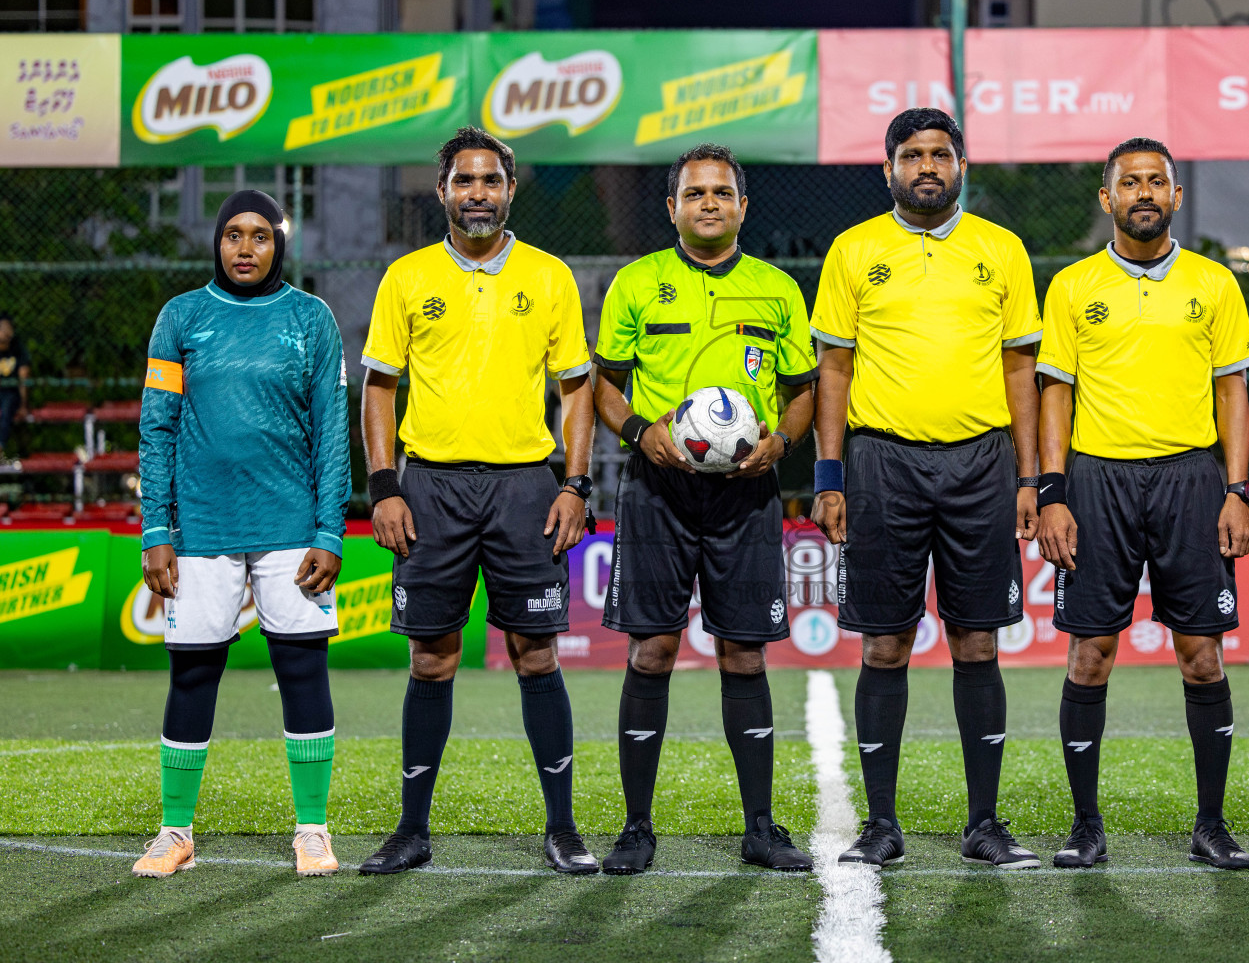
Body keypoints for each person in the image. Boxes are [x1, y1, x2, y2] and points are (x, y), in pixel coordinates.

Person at [357, 127, 599, 876]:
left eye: (491, 181)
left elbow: (577, 389)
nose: (478, 194)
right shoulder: (406, 278)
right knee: (431, 660)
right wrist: (385, 486)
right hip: (429, 487)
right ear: (443, 192)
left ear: (510, 190)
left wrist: (575, 483)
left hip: (525, 488)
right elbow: (378, 389)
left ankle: (561, 830)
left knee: (537, 655)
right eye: (464, 181)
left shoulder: (551, 276)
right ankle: (411, 830)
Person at [811, 108, 1044, 870]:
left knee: (977, 640)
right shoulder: (854, 249)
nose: (927, 166)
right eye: (911, 155)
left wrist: (1031, 476)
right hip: (883, 466)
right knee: (886, 641)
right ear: (888, 170)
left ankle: (986, 824)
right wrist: (830, 475)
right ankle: (881, 825)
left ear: (961, 164)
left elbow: (1020, 371)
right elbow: (833, 369)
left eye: (940, 154)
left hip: (981, 464)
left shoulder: (1001, 249)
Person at [1035, 137, 1249, 870]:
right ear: (1106, 199)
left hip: (1192, 482)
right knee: (1091, 653)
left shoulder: (1215, 283)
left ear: (1175, 196)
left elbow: (1234, 390)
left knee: (1201, 657)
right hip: (1096, 482)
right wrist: (1053, 493)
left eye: (1156, 181)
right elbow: (1055, 394)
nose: (1143, 192)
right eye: (1128, 182)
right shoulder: (1071, 286)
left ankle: (1211, 824)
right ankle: (1085, 826)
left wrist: (1236, 490)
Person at [592, 143, 817, 874]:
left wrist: (781, 440)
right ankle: (635, 828)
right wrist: (638, 430)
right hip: (658, 488)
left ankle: (760, 827)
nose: (710, 203)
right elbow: (603, 385)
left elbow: (803, 389)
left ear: (743, 206)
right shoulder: (636, 282)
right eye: (695, 194)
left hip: (746, 491)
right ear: (673, 208)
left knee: (742, 650)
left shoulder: (778, 289)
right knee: (651, 650)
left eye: (723, 192)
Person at [133, 189, 349, 878]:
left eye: (260, 235)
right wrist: (156, 528)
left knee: (302, 669)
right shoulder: (181, 318)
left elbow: (332, 433)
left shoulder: (312, 319)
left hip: (291, 528)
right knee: (193, 672)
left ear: (279, 243)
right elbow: (156, 427)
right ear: (217, 243)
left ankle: (312, 831)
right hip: (198, 528)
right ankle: (175, 834)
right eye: (234, 234)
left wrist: (330, 530)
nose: (246, 247)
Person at [0, 313, 31, 454]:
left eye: (8, 328)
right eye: (2, 328)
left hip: (10, 392)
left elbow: (23, 377)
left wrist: (24, 404)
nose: (5, 332)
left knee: (7, 408)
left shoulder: (18, 349)